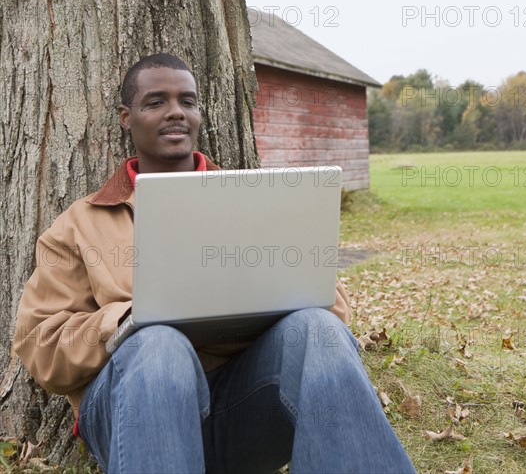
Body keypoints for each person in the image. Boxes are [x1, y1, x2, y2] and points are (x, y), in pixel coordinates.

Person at [14, 53, 415, 474]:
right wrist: (125, 323)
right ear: (125, 117)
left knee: (317, 330)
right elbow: (40, 345)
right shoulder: (81, 223)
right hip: (136, 416)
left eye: (188, 101)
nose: (175, 113)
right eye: (156, 102)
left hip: (245, 412)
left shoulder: (255, 202)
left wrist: (260, 295)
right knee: (159, 344)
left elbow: (331, 309)